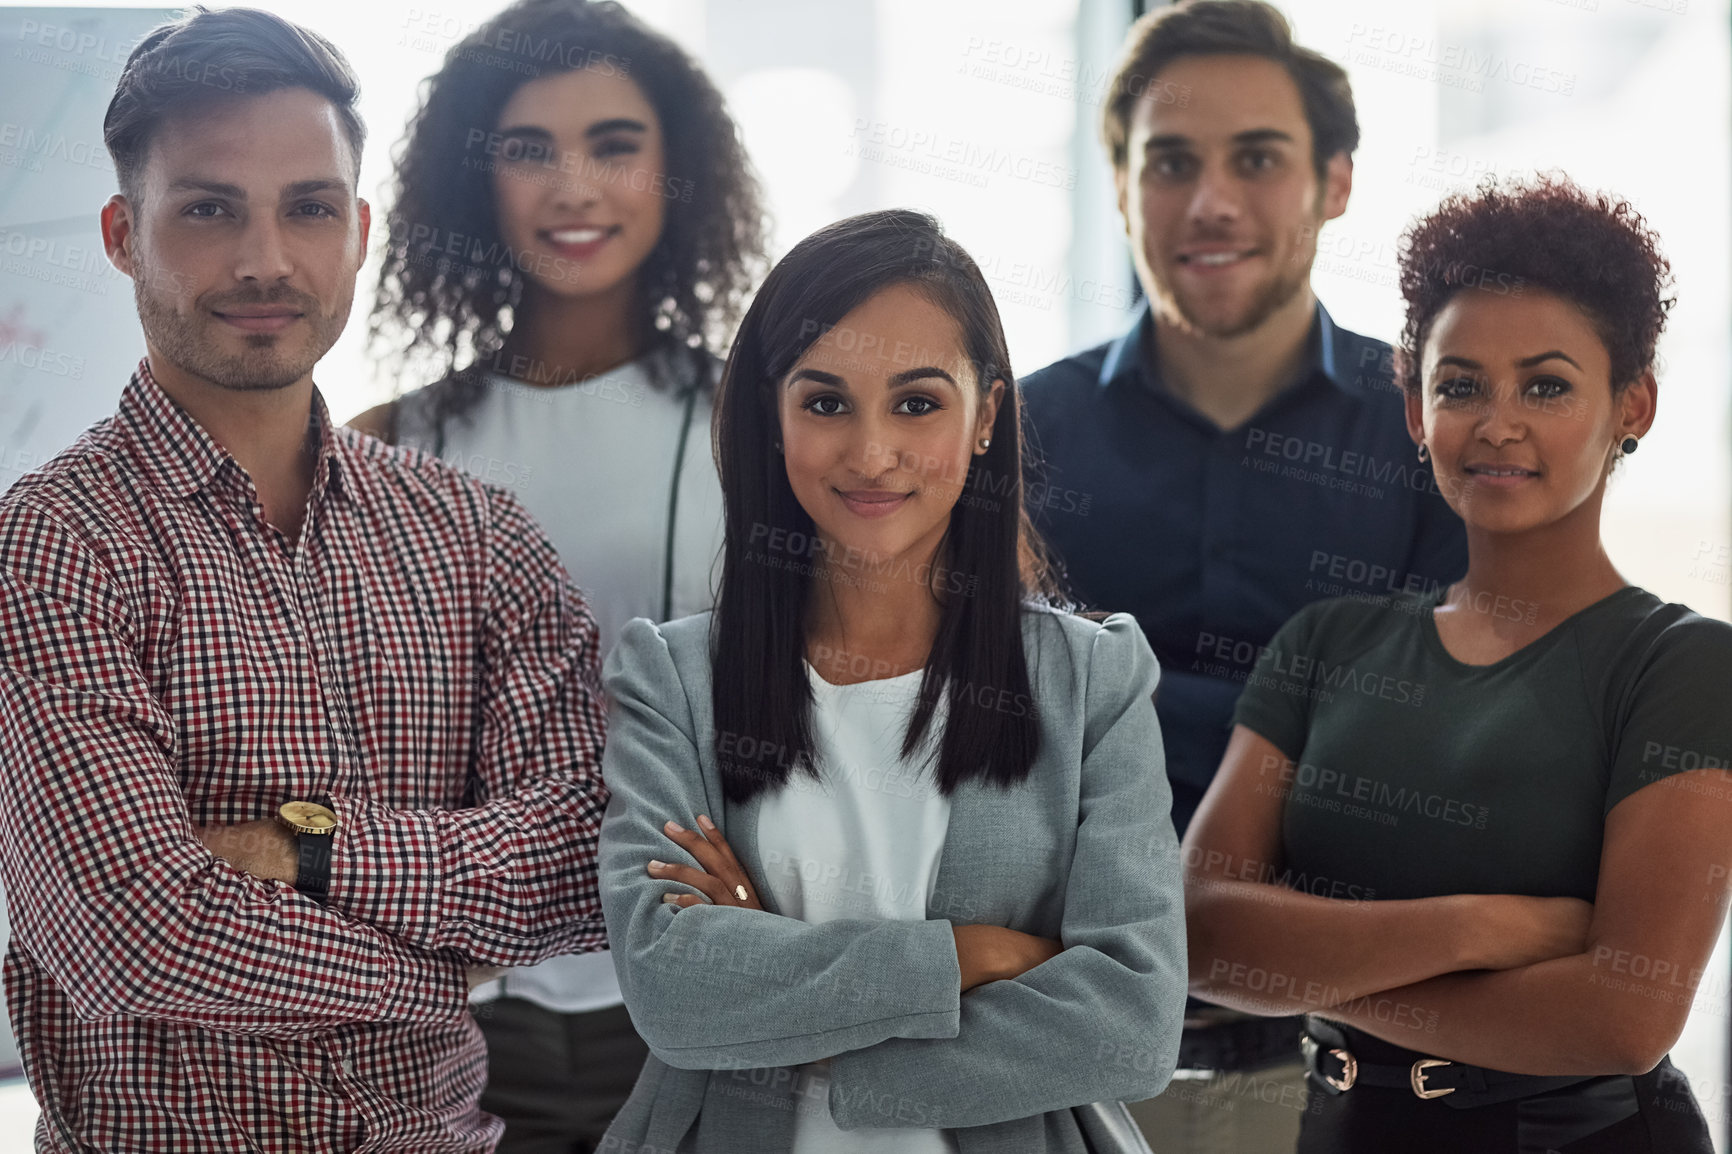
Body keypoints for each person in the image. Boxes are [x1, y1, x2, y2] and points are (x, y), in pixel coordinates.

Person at [0, 9, 612, 1149]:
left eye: (309, 208)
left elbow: (585, 859)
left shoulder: (476, 536)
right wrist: (434, 970)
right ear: (123, 232)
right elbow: (139, 933)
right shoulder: (53, 544)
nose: (265, 260)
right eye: (208, 208)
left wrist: (307, 847)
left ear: (361, 228)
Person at [594, 208, 1188, 1153]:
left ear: (986, 415)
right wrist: (970, 956)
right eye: (825, 402)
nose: (872, 455)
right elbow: (672, 992)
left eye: (917, 403)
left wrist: (792, 1021)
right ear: (770, 415)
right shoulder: (674, 678)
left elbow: (1133, 1024)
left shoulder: (1093, 680)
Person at [1184, 174, 1727, 1152]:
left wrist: (1312, 967)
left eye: (1547, 384)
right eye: (1459, 383)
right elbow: (1194, 933)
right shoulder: (1326, 640)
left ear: (1632, 403)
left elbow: (1624, 1017)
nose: (1496, 422)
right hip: (1340, 1127)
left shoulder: (1681, 665)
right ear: (1411, 406)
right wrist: (1478, 926)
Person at [1018, 1, 1467, 1145]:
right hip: (1046, 1053)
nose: (1210, 202)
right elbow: (990, 739)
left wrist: (1119, 713)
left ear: (1335, 182)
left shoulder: (1436, 434)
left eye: (1256, 159)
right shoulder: (1013, 434)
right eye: (1169, 162)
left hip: (1350, 1060)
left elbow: (1440, 750)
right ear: (1118, 185)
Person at [350, 3, 766, 1146]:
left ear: (676, 170)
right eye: (526, 148)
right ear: (468, 181)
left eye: (614, 144)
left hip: (701, 976)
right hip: (475, 1002)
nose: (572, 184)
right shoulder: (393, 442)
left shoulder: (761, 419)